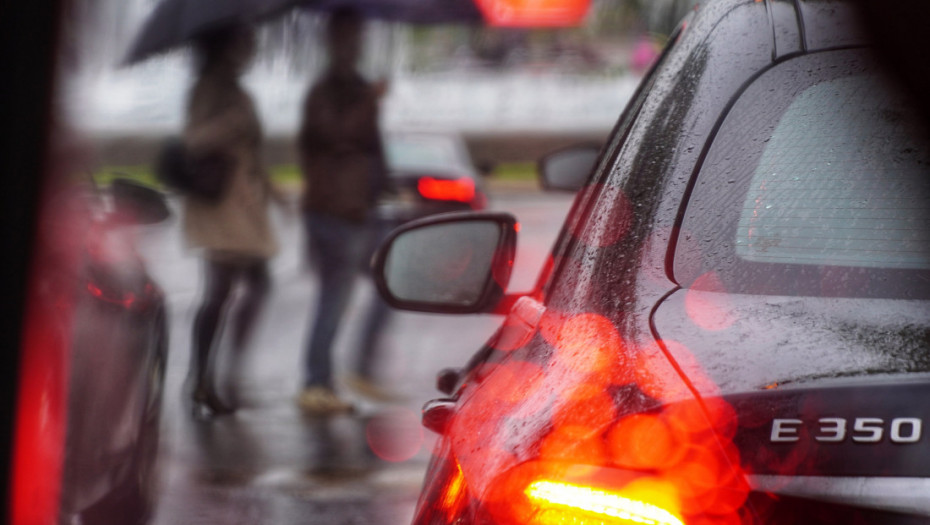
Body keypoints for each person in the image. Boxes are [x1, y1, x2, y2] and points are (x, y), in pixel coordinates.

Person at [296, 7, 391, 414]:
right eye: (349, 36)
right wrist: (369, 103)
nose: (356, 45)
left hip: (360, 208)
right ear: (334, 41)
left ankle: (361, 369)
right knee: (333, 296)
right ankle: (316, 382)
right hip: (334, 211)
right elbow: (331, 136)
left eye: (359, 36)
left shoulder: (355, 86)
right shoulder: (326, 90)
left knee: (395, 277)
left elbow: (369, 145)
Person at [183, 25, 279, 419]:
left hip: (243, 206)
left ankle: (220, 376)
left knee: (250, 286)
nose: (251, 46)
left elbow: (252, 152)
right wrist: (230, 121)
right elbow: (193, 140)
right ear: (224, 45)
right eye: (243, 40)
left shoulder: (235, 89)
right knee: (222, 291)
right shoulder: (208, 88)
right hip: (221, 207)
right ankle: (206, 379)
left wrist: (274, 191)